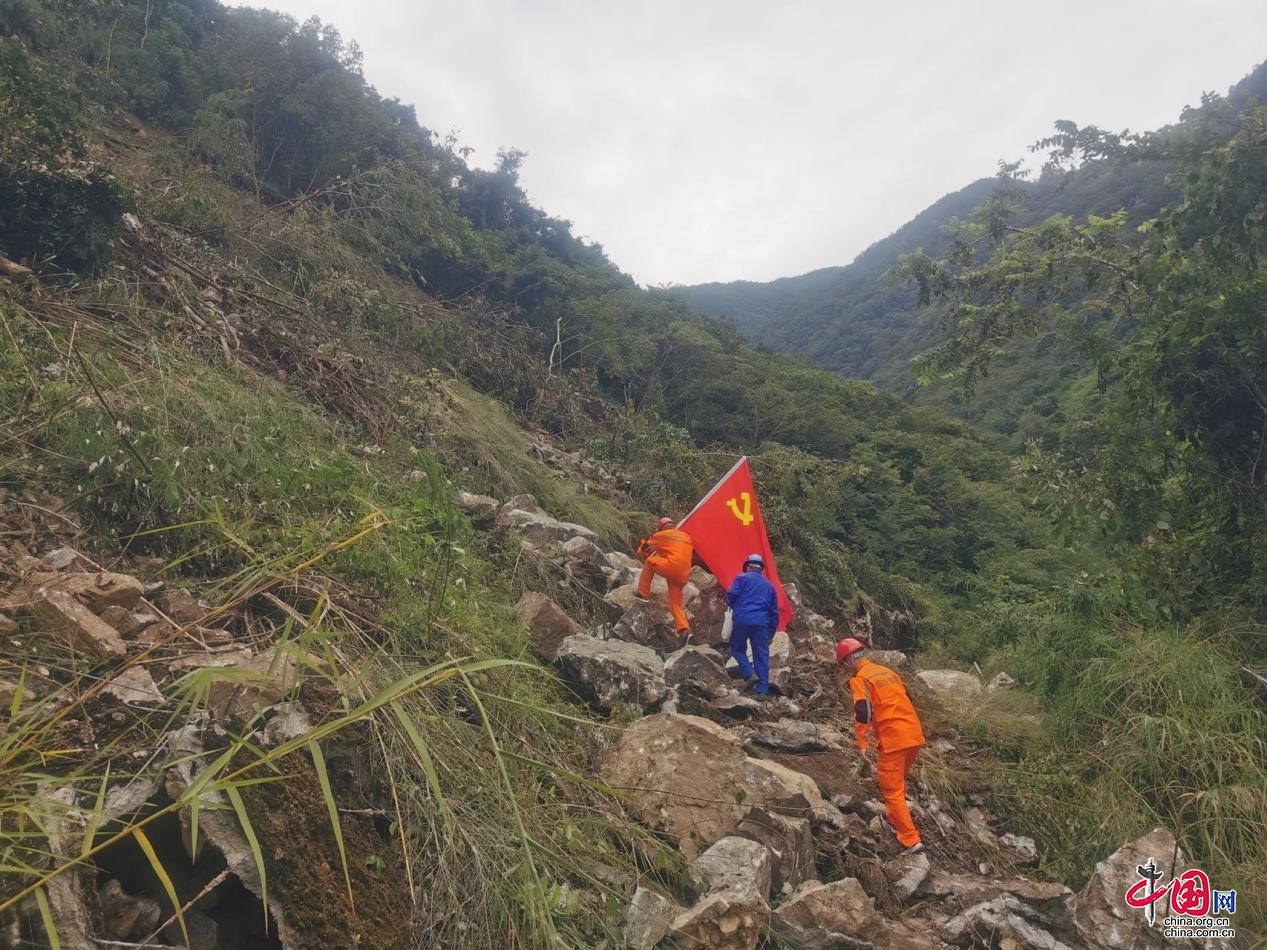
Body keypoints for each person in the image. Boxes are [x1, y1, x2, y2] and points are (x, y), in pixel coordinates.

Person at [835, 637, 926, 855]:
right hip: (913, 735)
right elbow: (907, 699)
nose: (845, 670)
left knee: (892, 790)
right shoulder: (887, 672)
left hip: (894, 740)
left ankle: (910, 840)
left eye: (844, 665)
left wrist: (863, 743)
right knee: (897, 783)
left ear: (848, 661)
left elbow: (863, 712)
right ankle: (895, 817)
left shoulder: (860, 679)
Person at [726, 553, 779, 695]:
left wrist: (732, 605)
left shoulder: (741, 578)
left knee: (737, 649)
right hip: (761, 623)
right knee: (761, 655)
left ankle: (749, 673)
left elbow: (731, 595)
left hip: (742, 619)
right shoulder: (769, 586)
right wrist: (771, 633)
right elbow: (774, 612)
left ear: (747, 566)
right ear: (761, 569)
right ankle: (762, 691)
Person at [635, 517, 694, 637]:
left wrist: (644, 545)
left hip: (672, 567)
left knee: (650, 562)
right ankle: (684, 628)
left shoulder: (661, 535)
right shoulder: (686, 537)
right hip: (684, 574)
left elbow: (641, 552)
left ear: (661, 528)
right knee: (675, 603)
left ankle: (643, 593)